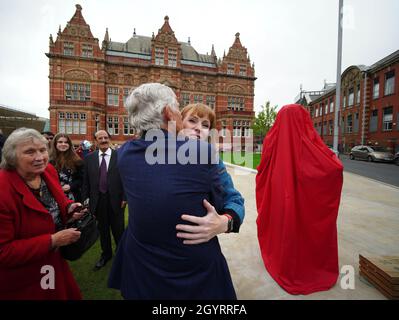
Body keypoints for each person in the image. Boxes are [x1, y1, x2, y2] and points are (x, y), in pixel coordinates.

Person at [108, 83, 236, 299]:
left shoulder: (124, 154)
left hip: (142, 269)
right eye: (179, 109)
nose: (197, 128)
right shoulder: (203, 152)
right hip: (192, 271)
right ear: (169, 113)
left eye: (204, 124)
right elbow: (223, 201)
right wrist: (227, 221)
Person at [255, 104, 343, 295]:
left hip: (278, 192)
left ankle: (284, 262)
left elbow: (262, 168)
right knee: (300, 226)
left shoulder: (273, 138)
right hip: (298, 196)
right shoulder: (310, 141)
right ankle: (308, 266)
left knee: (283, 224)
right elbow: (330, 167)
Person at [0, 128, 85, 299]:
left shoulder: (48, 171)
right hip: (24, 278)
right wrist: (53, 240)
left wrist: (69, 209)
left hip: (54, 264)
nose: (39, 157)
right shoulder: (3, 190)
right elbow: (3, 251)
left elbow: (56, 202)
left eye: (42, 150)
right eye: (30, 152)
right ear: (11, 156)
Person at [176, 103, 245, 244]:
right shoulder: (160, 154)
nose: (198, 128)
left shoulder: (213, 161)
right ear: (179, 123)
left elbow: (234, 199)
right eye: (192, 121)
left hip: (198, 244)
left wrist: (224, 223)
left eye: (205, 125)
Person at [82, 130, 126, 270]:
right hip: (98, 200)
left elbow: (126, 179)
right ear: (95, 141)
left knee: (119, 230)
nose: (103, 140)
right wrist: (86, 200)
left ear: (110, 139)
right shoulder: (89, 158)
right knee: (103, 230)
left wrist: (125, 197)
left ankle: (122, 256)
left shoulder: (119, 156)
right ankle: (106, 255)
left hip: (117, 200)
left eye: (106, 137)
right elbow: (86, 182)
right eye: (100, 138)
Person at [49, 133, 84, 202]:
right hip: (54, 197)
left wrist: (71, 186)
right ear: (55, 144)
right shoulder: (49, 160)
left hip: (73, 197)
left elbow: (82, 179)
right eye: (60, 142)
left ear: (69, 145)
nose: (63, 144)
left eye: (66, 142)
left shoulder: (77, 161)